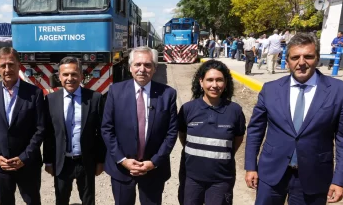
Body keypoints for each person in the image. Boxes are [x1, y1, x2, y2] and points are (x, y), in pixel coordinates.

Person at [245, 33, 343, 205]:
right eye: (295, 57)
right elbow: (255, 131)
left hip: (315, 175)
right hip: (271, 173)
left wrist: (340, 180)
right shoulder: (271, 89)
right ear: (288, 60)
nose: (301, 62)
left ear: (317, 58)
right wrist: (250, 166)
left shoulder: (339, 91)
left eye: (308, 56)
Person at [102, 46, 178, 205]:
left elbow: (171, 133)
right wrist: (122, 160)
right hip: (122, 169)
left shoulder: (168, 94)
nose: (142, 69)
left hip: (153, 170)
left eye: (147, 65)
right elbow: (107, 129)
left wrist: (154, 162)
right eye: (137, 64)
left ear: (155, 68)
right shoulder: (115, 91)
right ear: (130, 68)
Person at [178, 60, 246, 205]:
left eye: (219, 80)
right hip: (191, 178)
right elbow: (183, 136)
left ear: (226, 83)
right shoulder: (188, 109)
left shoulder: (235, 110)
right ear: (201, 82)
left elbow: (238, 138)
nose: (214, 85)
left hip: (221, 180)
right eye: (209, 80)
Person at [43, 56, 106, 205]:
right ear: (59, 77)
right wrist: (48, 161)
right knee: (61, 200)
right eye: (65, 74)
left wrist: (101, 160)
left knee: (88, 200)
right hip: (62, 162)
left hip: (86, 161)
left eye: (74, 74)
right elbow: (49, 134)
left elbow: (101, 133)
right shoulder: (51, 100)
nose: (70, 78)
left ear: (81, 76)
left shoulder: (95, 99)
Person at [0, 47, 44, 205]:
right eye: (3, 65)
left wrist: (24, 157)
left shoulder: (35, 93)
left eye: (11, 64)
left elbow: (40, 129)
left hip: (28, 164)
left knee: (32, 201)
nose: (7, 69)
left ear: (19, 65)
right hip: (1, 164)